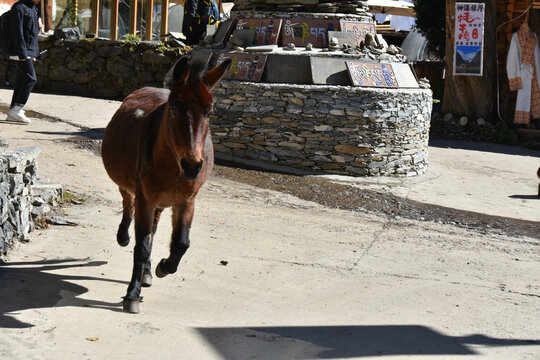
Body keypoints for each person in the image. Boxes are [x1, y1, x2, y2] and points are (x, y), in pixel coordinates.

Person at [4, 0, 41, 125]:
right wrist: (23, 53)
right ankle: (17, 109)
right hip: (20, 51)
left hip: (28, 51)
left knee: (22, 80)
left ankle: (13, 110)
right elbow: (17, 32)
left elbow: (33, 34)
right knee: (31, 79)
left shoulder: (33, 8)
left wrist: (33, 53)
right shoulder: (19, 7)